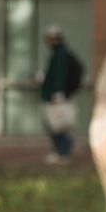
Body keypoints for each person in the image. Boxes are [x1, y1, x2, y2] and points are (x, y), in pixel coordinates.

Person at [37, 25, 83, 164]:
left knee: (58, 124)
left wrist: (59, 92)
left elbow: (60, 75)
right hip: (56, 94)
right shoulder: (58, 53)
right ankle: (63, 149)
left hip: (57, 96)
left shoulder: (61, 54)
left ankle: (63, 151)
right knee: (55, 124)